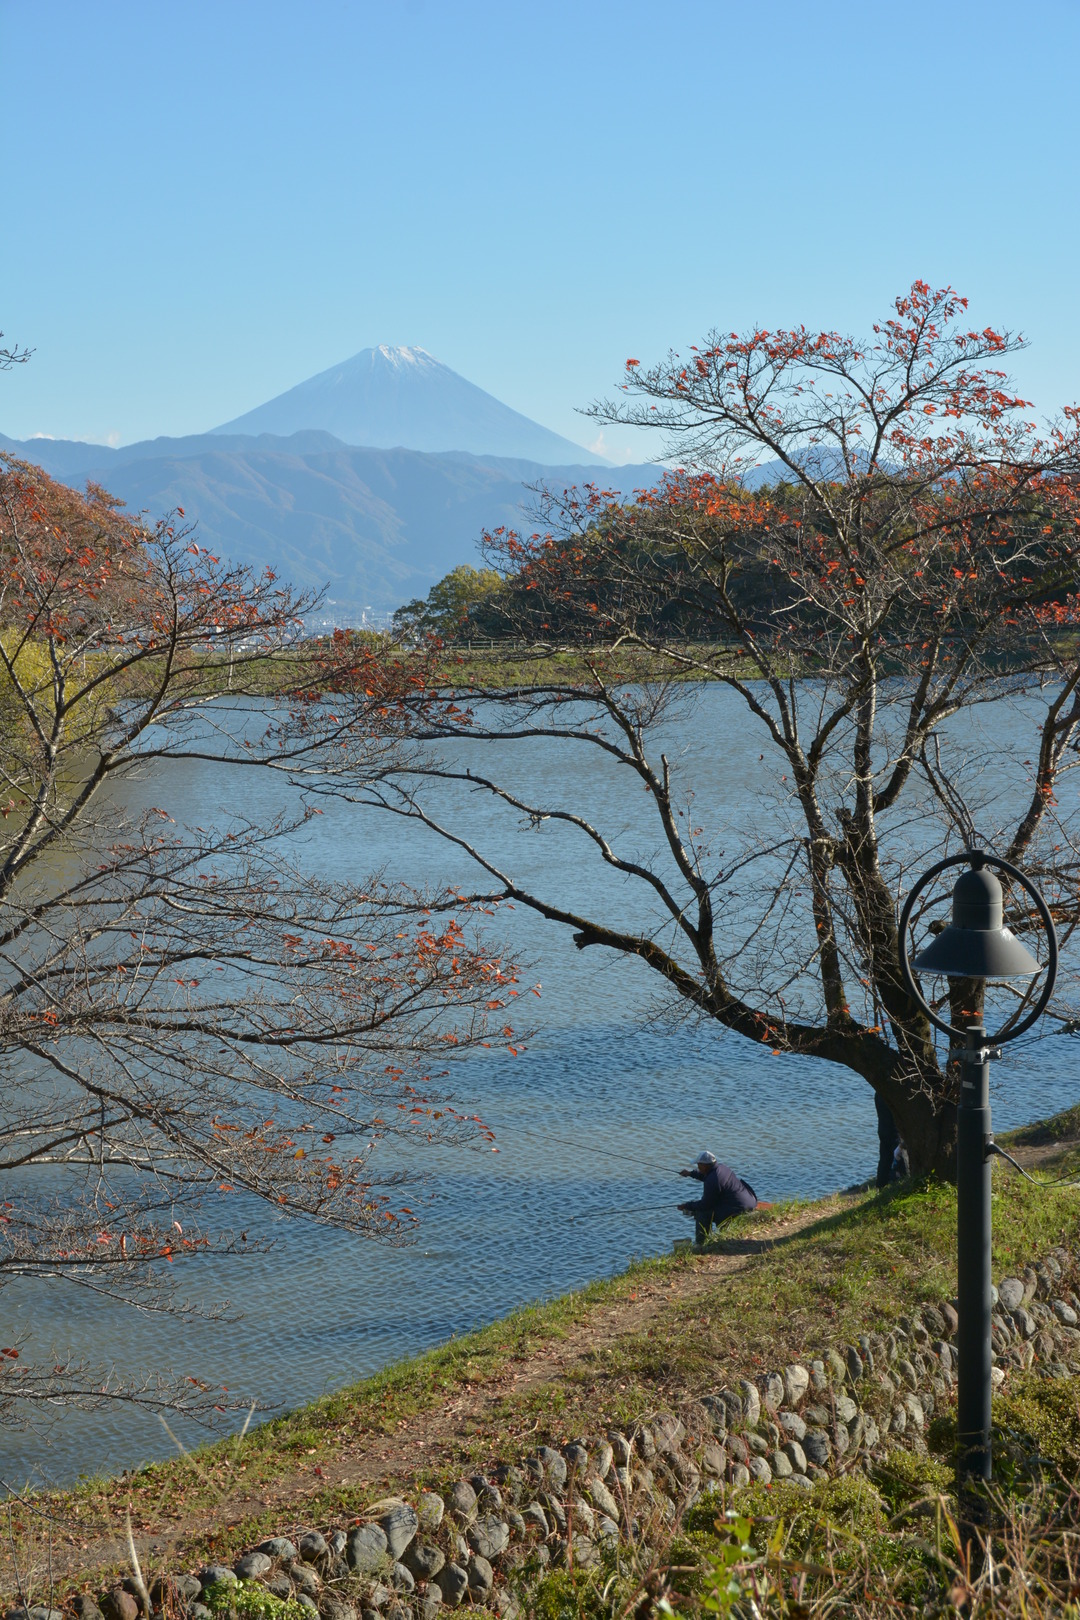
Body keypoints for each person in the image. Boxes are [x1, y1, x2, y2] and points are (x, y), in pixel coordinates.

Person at [677, 1150, 758, 1245]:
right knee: (708, 1206)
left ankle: (701, 1244)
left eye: (698, 1165)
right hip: (750, 1200)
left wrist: (687, 1205)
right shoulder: (722, 1168)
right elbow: (708, 1177)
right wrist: (691, 1174)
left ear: (704, 1166)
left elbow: (705, 1205)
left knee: (702, 1212)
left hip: (739, 1208)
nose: (697, 1167)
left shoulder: (712, 1181)